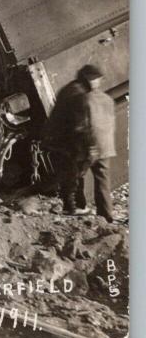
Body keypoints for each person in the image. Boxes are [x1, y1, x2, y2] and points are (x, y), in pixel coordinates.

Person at [43, 64, 115, 221]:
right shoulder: (79, 95)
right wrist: (89, 146)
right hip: (76, 142)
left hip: (71, 140)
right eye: (97, 80)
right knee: (77, 174)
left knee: (75, 174)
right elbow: (81, 125)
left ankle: (80, 207)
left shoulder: (74, 90)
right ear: (89, 79)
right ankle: (83, 209)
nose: (99, 83)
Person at [78, 65, 117, 223]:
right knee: (102, 181)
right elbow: (110, 124)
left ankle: (79, 209)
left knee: (76, 176)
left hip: (90, 146)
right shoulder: (108, 99)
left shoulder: (84, 100)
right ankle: (106, 216)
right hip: (106, 146)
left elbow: (85, 126)